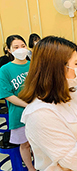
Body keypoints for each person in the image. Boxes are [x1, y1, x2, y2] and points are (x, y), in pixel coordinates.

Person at [19, 36, 77, 170]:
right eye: (75, 64)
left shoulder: (71, 94)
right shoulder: (40, 114)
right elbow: (74, 160)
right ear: (57, 69)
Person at [0, 35, 35, 171]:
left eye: (23, 46)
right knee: (25, 144)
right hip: (19, 114)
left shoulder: (33, 65)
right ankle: (31, 168)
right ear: (9, 50)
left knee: (39, 142)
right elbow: (7, 95)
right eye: (16, 47)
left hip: (37, 112)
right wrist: (27, 105)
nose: (20, 49)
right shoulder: (5, 70)